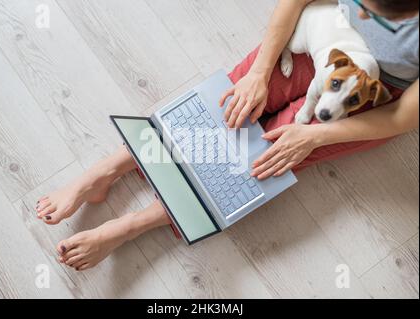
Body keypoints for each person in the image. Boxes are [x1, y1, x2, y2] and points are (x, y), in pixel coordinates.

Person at [36, 0, 418, 271]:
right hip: (322, 31)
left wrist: (314, 137)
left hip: (377, 92)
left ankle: (131, 225)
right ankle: (106, 171)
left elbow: (402, 116)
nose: (367, 12)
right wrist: (258, 73)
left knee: (261, 164)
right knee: (223, 110)